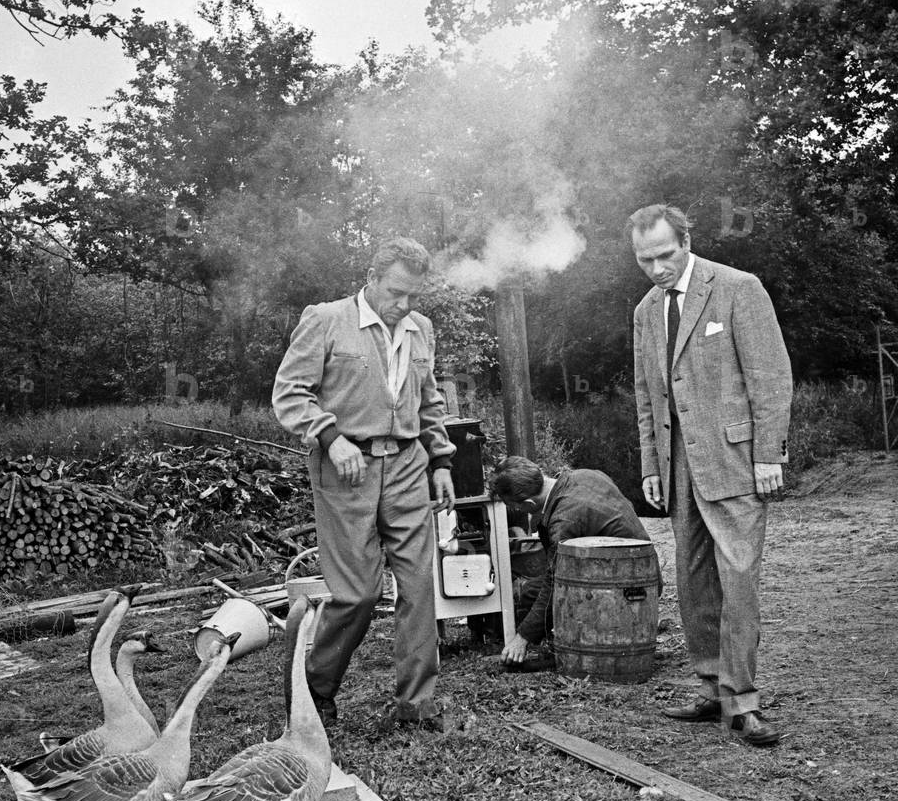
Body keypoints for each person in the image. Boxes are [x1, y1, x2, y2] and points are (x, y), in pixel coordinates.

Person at [272, 237, 456, 731]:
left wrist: (440, 460)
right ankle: (315, 689)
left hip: (407, 468)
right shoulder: (326, 319)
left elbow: (430, 400)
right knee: (357, 594)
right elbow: (290, 394)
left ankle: (417, 704)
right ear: (371, 278)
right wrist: (330, 438)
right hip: (345, 471)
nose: (404, 305)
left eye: (413, 296)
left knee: (420, 586)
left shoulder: (421, 330)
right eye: (396, 292)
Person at [629, 204, 792, 747]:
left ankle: (742, 701)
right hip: (679, 472)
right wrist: (652, 465)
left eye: (665, 254)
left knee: (738, 581)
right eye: (644, 259)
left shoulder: (738, 288)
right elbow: (648, 399)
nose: (656, 268)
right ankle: (709, 685)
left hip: (736, 463)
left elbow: (770, 376)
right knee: (694, 584)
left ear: (686, 241)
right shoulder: (646, 311)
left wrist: (769, 454)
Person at [488, 456, 655, 671]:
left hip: (621, 587)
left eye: (518, 508)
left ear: (529, 504)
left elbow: (554, 583)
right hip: (642, 572)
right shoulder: (583, 474)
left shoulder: (564, 520)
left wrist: (523, 636)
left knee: (532, 592)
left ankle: (557, 650)